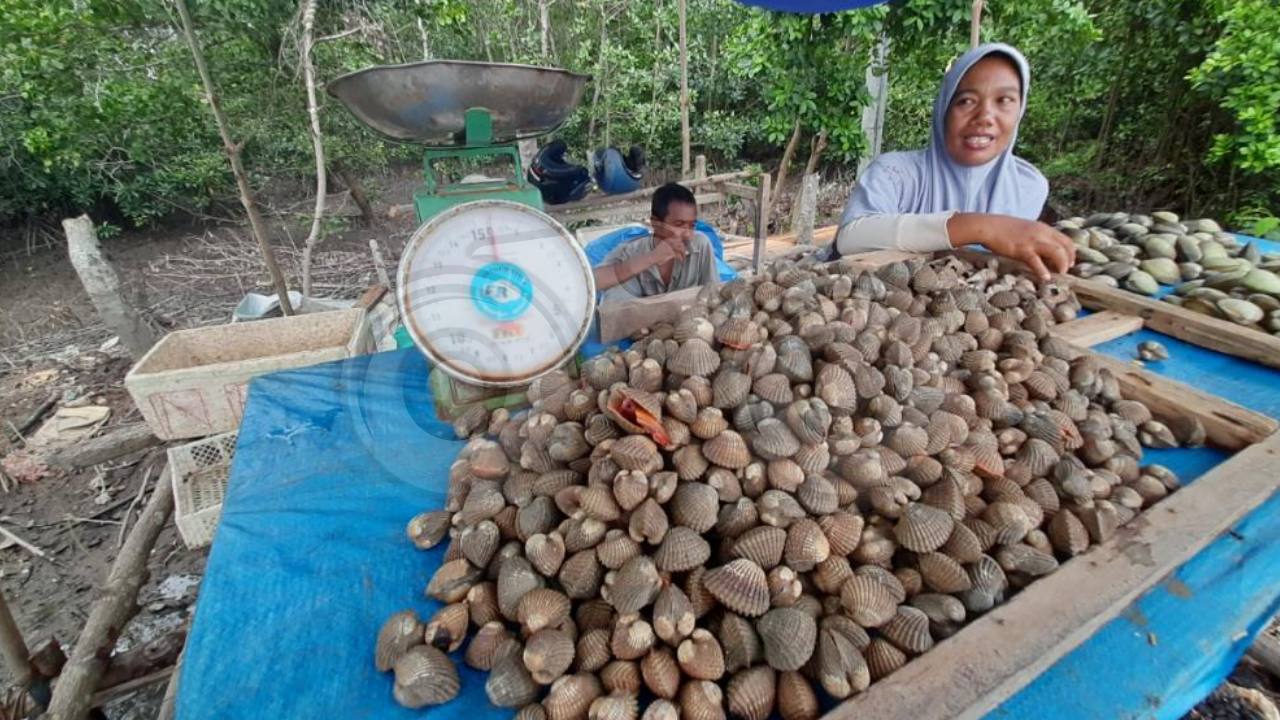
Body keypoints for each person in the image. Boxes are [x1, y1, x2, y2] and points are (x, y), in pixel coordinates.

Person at [828, 43, 1075, 280]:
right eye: (966, 101)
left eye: (1004, 100)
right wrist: (984, 228)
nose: (985, 117)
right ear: (944, 109)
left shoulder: (1029, 185)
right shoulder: (896, 173)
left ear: (1020, 109)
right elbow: (851, 238)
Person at [594, 182, 719, 304]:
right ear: (655, 223)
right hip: (641, 318)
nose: (687, 234)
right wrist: (652, 258)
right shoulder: (630, 252)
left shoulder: (700, 246)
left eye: (691, 225)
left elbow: (714, 293)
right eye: (679, 225)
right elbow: (594, 283)